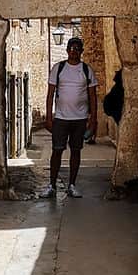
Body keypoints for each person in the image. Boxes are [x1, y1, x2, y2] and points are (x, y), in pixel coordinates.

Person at [39, 36, 97, 199]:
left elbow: (93, 96)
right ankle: (51, 185)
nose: (74, 51)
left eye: (77, 48)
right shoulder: (58, 68)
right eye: (71, 48)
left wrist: (93, 119)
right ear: (67, 50)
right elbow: (50, 94)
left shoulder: (87, 70)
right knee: (57, 151)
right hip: (61, 118)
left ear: (81, 51)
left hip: (80, 119)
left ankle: (72, 185)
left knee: (76, 151)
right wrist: (49, 117)